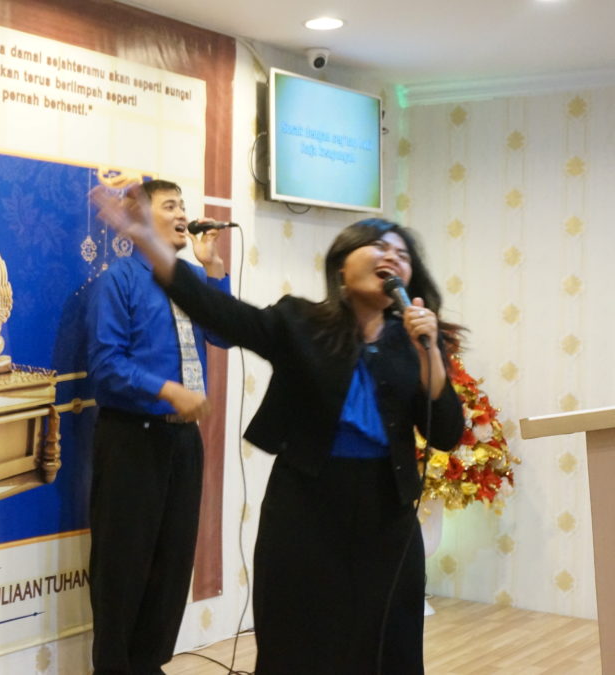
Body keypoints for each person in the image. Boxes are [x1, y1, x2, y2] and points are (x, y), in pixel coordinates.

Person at [92, 186, 465, 675]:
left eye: (402, 254)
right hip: (306, 511)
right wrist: (149, 242)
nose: (392, 257)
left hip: (387, 515)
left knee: (387, 647)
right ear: (342, 266)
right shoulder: (301, 323)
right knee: (297, 644)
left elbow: (446, 433)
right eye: (378, 246)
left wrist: (430, 353)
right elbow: (221, 315)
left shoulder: (413, 343)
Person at [85, 179, 230, 674]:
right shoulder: (120, 280)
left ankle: (149, 665)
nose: (183, 214)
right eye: (170, 205)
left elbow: (223, 335)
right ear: (141, 220)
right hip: (132, 437)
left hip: (184, 441)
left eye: (184, 205)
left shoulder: (190, 279)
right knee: (123, 567)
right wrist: (167, 389)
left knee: (172, 566)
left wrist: (214, 270)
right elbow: (105, 366)